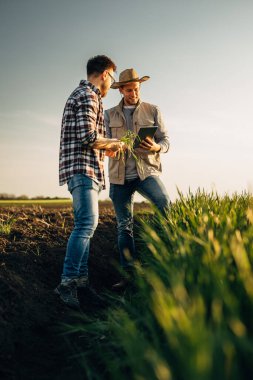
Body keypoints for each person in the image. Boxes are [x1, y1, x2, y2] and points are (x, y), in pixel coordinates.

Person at [55, 55, 124, 309]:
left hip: (86, 169)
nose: (112, 84)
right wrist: (116, 143)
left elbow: (91, 139)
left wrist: (105, 147)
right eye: (112, 77)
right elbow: (88, 137)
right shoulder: (88, 95)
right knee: (86, 224)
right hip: (82, 170)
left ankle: (81, 285)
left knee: (86, 225)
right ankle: (67, 283)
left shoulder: (87, 95)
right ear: (105, 73)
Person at [104, 68, 170, 288]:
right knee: (125, 227)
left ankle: (162, 260)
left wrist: (157, 146)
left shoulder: (153, 109)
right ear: (121, 90)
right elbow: (102, 142)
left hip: (146, 172)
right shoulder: (108, 114)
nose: (134, 93)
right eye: (129, 90)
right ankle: (129, 276)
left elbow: (166, 141)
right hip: (120, 177)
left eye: (137, 89)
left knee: (164, 203)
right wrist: (108, 148)